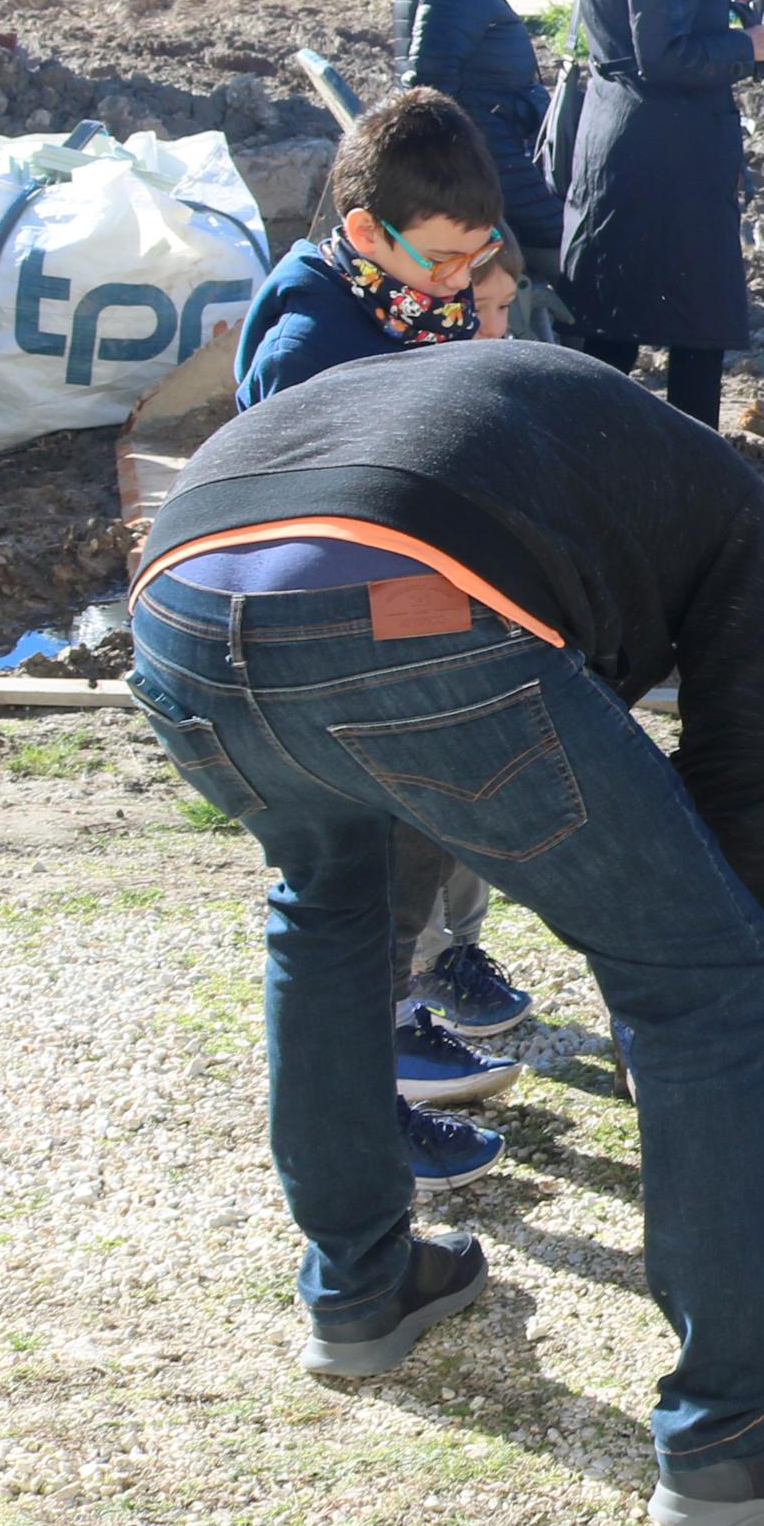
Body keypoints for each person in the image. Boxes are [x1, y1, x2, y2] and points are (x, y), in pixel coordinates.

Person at [130, 341, 764, 1526]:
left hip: (180, 604)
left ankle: (359, 1285)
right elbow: (739, 782)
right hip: (407, 596)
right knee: (706, 979)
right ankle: (737, 1428)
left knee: (329, 910)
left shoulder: (565, 438)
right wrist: (715, 985)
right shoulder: (734, 517)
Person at [227, 89, 547, 1191]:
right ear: (367, 233)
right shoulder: (317, 344)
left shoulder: (409, 303)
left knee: (403, 883)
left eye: (477, 263)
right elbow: (325, 541)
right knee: (355, 912)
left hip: (414, 639)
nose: (465, 285)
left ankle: (400, 1037)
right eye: (448, 261)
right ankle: (367, 1129)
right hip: (340, 663)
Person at [558, 0, 764, 426]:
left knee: (615, 324)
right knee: (689, 330)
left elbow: (637, 24)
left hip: (625, 141)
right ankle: (692, 476)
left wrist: (710, 0)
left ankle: (580, 454)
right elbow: (666, 54)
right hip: (667, 158)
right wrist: (747, 46)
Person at [389, 0, 567, 338]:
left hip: (494, 159)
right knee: (582, 250)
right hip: (487, 170)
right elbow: (429, 84)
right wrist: (462, 187)